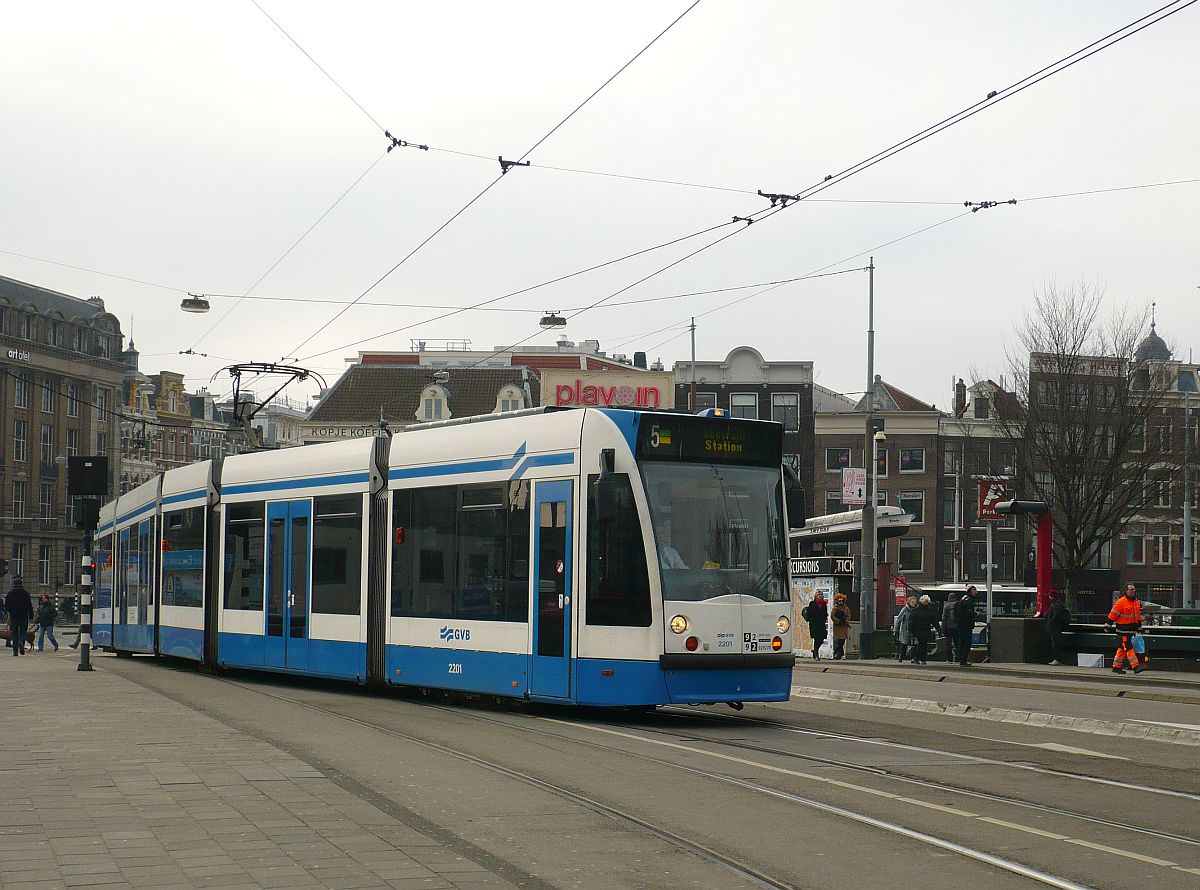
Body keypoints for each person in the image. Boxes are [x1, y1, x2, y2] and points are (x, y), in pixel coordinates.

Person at [1106, 584, 1144, 674]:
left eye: (1134, 589)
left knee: (1122, 648)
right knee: (1128, 647)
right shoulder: (1121, 602)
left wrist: (1139, 627)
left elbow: (1138, 616)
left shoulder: (1136, 602)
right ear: (1126, 591)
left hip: (1131, 629)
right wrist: (1108, 625)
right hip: (1123, 630)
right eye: (1131, 589)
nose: (1133, 591)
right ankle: (1135, 666)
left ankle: (1116, 666)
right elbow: (1113, 614)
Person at [5, 577, 34, 657]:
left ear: (13, 584)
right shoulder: (25, 593)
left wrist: (11, 611)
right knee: (23, 632)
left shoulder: (10, 593)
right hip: (24, 616)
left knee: (14, 634)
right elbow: (29, 605)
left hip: (14, 616)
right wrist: (31, 615)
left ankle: (15, 652)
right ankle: (21, 642)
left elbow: (6, 605)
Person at [952, 585, 978, 666]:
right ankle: (963, 660)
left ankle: (960, 659)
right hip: (967, 624)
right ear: (971, 591)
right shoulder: (969, 600)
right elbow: (968, 613)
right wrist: (975, 614)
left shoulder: (963, 598)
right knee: (967, 642)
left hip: (960, 623)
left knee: (962, 641)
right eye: (974, 589)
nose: (976, 591)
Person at [909, 595, 937, 664]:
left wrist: (938, 628)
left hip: (925, 630)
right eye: (925, 602)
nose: (927, 603)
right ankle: (922, 659)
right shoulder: (919, 610)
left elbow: (934, 621)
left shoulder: (917, 610)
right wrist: (911, 631)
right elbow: (911, 622)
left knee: (923, 644)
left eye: (927, 602)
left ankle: (918, 658)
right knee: (922, 644)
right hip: (919, 630)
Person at [1044, 591, 1070, 665]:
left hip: (1055, 628)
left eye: (1050, 596)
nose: (1049, 597)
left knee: (1055, 643)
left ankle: (1057, 659)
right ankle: (1056, 659)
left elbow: (1055, 616)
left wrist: (1050, 623)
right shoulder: (1058, 604)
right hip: (1056, 627)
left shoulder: (1056, 605)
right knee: (1055, 643)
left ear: (1052, 597)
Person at [801, 593, 829, 660]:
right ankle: (816, 653)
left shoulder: (824, 604)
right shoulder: (812, 603)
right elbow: (810, 613)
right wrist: (811, 619)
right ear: (816, 597)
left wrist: (824, 619)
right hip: (814, 623)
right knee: (816, 638)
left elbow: (825, 613)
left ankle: (815, 650)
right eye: (819, 596)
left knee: (821, 639)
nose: (821, 597)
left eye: (821, 596)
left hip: (821, 623)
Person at [894, 595, 916, 662]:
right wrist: (896, 630)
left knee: (914, 644)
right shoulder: (905, 610)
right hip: (905, 629)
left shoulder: (916, 610)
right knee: (905, 643)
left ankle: (913, 658)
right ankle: (901, 656)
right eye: (912, 602)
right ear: (909, 602)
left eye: (914, 602)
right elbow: (899, 620)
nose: (914, 603)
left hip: (914, 629)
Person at [830, 593, 852, 660]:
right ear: (837, 601)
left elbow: (849, 615)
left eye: (842, 601)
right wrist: (838, 621)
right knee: (839, 640)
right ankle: (839, 653)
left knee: (842, 640)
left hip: (844, 626)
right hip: (838, 626)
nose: (841, 602)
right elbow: (832, 616)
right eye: (839, 601)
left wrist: (846, 620)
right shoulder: (835, 608)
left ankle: (838, 653)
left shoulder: (846, 608)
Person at [941, 591, 960, 663]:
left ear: (949, 598)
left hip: (948, 627)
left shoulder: (946, 606)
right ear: (955, 598)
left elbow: (944, 618)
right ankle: (958, 658)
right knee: (957, 643)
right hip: (957, 627)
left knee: (948, 644)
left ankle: (949, 659)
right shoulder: (958, 605)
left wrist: (943, 629)